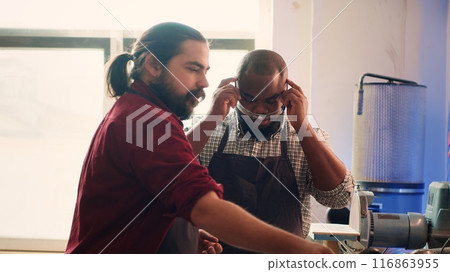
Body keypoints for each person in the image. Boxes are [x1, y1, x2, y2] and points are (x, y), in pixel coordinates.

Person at [65, 22, 332, 254]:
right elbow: (205, 209)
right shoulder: (148, 123)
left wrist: (179, 232)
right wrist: (305, 250)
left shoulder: (137, 113)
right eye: (193, 69)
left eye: (206, 70)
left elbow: (151, 193)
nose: (205, 82)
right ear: (153, 67)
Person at [187, 49, 355, 253]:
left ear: (287, 93)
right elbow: (165, 181)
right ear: (235, 89)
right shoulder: (209, 132)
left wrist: (303, 127)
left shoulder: (302, 136)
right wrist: (210, 120)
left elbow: (338, 198)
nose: (259, 110)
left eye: (270, 100)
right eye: (250, 99)